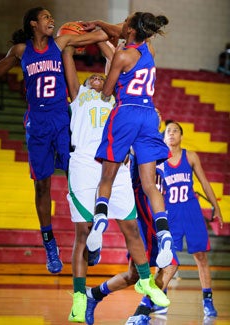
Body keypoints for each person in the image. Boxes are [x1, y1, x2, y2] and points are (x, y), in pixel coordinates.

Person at [0, 7, 110, 274]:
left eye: (50, 18)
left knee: (79, 179)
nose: (51, 21)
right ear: (33, 23)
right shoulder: (21, 51)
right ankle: (49, 244)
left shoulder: (62, 42)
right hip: (37, 123)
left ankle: (93, 236)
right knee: (41, 187)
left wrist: (98, 26)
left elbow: (100, 35)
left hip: (61, 119)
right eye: (45, 17)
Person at [62, 41, 169, 322]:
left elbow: (116, 60)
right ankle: (79, 295)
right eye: (92, 77)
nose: (97, 78)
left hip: (116, 163)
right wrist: (73, 42)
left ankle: (145, 280)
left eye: (101, 75)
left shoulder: (115, 98)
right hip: (85, 163)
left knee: (131, 228)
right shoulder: (78, 95)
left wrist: (102, 38)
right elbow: (67, 58)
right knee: (83, 233)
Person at [86, 12, 175, 282]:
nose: (121, 25)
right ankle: (165, 234)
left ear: (131, 30)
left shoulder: (122, 56)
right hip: (149, 115)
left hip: (126, 112)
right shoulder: (149, 47)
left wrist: (114, 58)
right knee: (150, 185)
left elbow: (106, 92)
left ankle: (99, 219)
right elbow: (121, 30)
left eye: (125, 22)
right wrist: (101, 24)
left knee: (107, 177)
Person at [85, 110, 179, 325]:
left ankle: (94, 295)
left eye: (157, 113)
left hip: (156, 211)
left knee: (134, 275)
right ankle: (140, 314)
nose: (154, 114)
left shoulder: (157, 144)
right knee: (171, 264)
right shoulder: (135, 142)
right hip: (145, 211)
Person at [155, 120, 223, 318]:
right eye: (168, 131)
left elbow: (205, 182)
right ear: (164, 136)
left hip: (191, 211)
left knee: (201, 257)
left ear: (181, 136)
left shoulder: (190, 156)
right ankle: (160, 297)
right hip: (170, 214)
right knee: (165, 259)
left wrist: (216, 207)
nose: (172, 133)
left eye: (176, 131)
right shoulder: (158, 160)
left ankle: (207, 301)